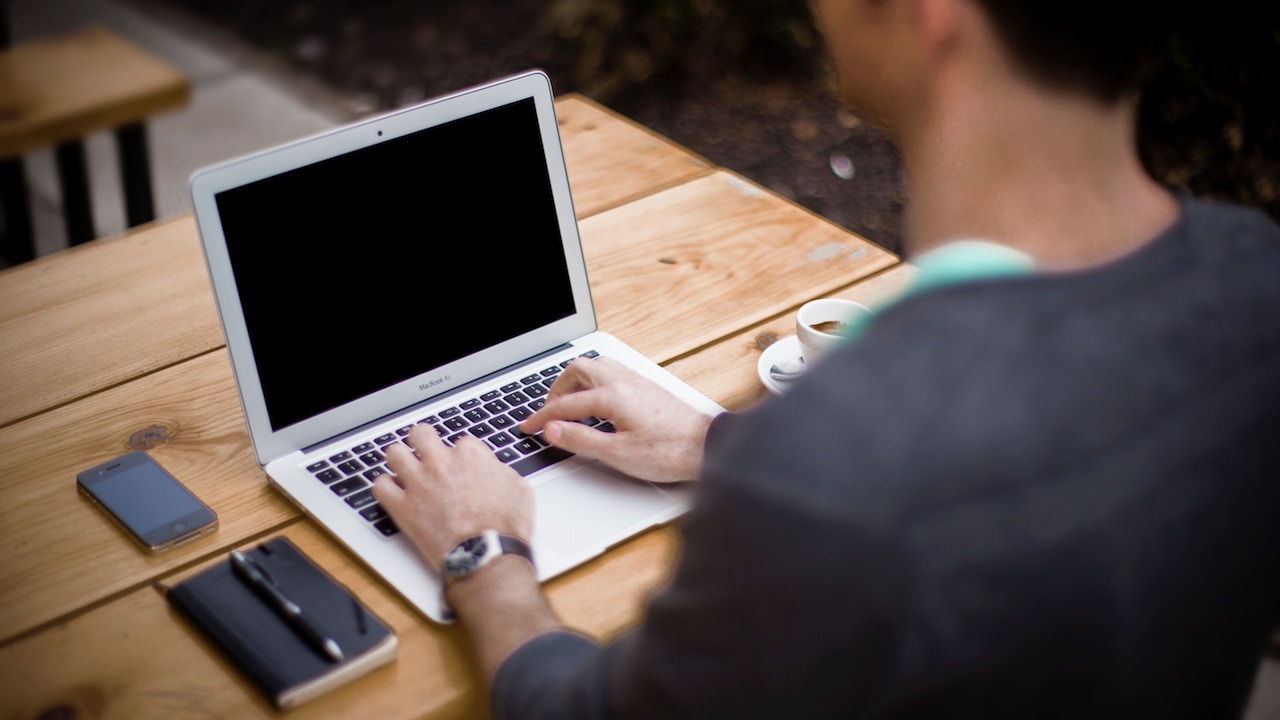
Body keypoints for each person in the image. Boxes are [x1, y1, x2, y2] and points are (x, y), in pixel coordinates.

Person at [373, 0, 1280, 716]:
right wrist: (718, 441)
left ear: (932, 13)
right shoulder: (1255, 280)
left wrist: (483, 552)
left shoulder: (842, 464)